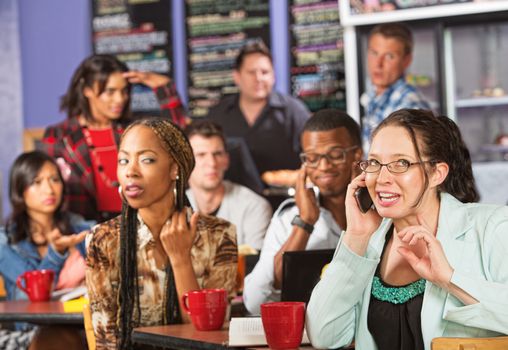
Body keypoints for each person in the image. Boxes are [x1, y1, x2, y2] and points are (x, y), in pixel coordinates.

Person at [306, 109, 508, 350]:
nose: (381, 178)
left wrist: (449, 279)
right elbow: (324, 337)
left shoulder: (491, 227)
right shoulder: (369, 243)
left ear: (437, 173)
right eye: (375, 163)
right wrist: (356, 238)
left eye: (400, 163)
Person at [85, 118, 238, 350]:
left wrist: (180, 259)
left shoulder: (219, 235)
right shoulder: (103, 239)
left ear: (175, 169)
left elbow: (210, 337)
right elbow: (107, 342)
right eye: (123, 160)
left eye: (146, 160)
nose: (130, 171)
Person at [243, 109, 363, 315]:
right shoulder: (289, 217)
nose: (323, 166)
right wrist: (305, 222)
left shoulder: (384, 211)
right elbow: (255, 303)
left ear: (357, 155)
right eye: (312, 158)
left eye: (335, 155)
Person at [41, 54, 187, 222]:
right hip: (85, 233)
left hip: (140, 227)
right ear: (86, 90)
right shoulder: (58, 136)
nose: (120, 99)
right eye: (110, 91)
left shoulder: (134, 130)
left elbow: (178, 140)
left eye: (124, 91)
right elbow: (47, 191)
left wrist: (162, 85)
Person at [0, 151, 94, 349]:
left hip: (83, 325)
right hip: (32, 333)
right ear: (20, 189)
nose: (49, 189)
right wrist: (56, 253)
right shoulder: (5, 241)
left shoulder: (77, 226)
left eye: (54, 179)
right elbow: (33, 296)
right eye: (37, 182)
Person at [207, 41, 311, 192]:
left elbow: (315, 158)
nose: (259, 78)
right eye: (251, 72)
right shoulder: (217, 115)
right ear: (237, 76)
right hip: (231, 204)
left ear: (273, 76)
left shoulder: (294, 112)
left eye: (265, 72)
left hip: (285, 205)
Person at [185, 120, 272, 251]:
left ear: (226, 160)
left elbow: (258, 269)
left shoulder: (254, 207)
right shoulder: (170, 208)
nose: (212, 163)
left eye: (217, 154)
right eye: (201, 155)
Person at [361, 23, 430, 153]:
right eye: (374, 53)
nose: (378, 64)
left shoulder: (409, 105)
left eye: (389, 56)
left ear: (407, 61)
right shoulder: (373, 96)